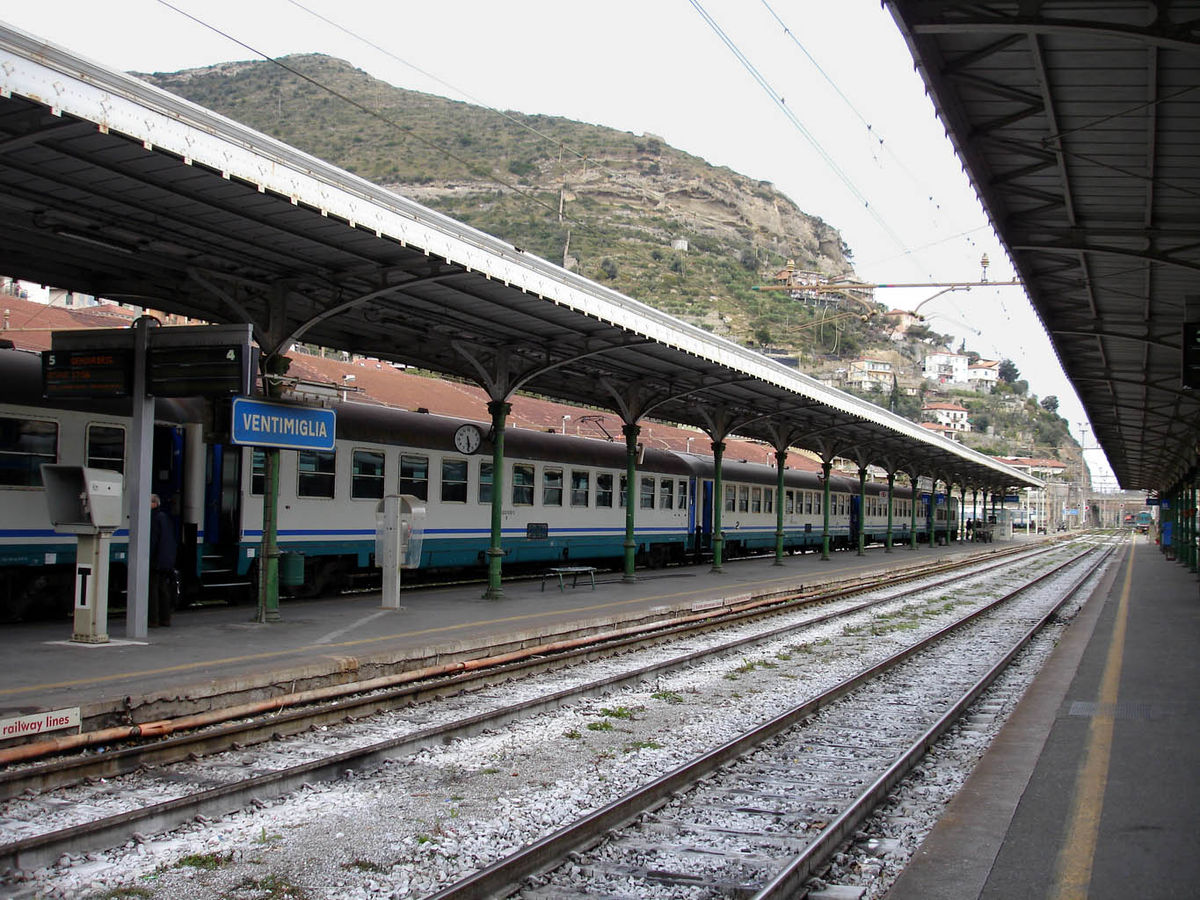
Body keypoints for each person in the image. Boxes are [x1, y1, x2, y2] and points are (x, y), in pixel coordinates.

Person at [148, 493, 177, 627]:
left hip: (156, 559)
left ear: (154, 504)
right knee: (163, 588)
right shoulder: (165, 517)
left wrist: (147, 556)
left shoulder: (154, 518)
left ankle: (153, 619)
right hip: (166, 559)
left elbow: (153, 540)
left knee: (153, 589)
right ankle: (165, 618)